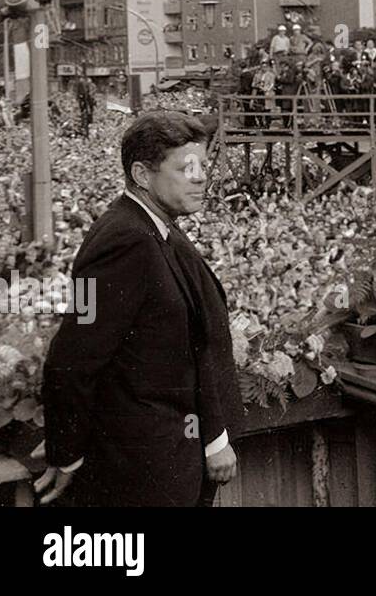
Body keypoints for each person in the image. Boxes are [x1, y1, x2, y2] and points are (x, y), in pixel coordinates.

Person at [36, 112, 241, 506]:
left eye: (203, 166)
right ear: (142, 176)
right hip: (145, 475)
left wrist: (214, 436)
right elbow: (71, 360)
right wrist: (67, 454)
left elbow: (193, 337)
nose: (201, 177)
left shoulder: (157, 227)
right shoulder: (124, 241)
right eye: (186, 168)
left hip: (168, 463)